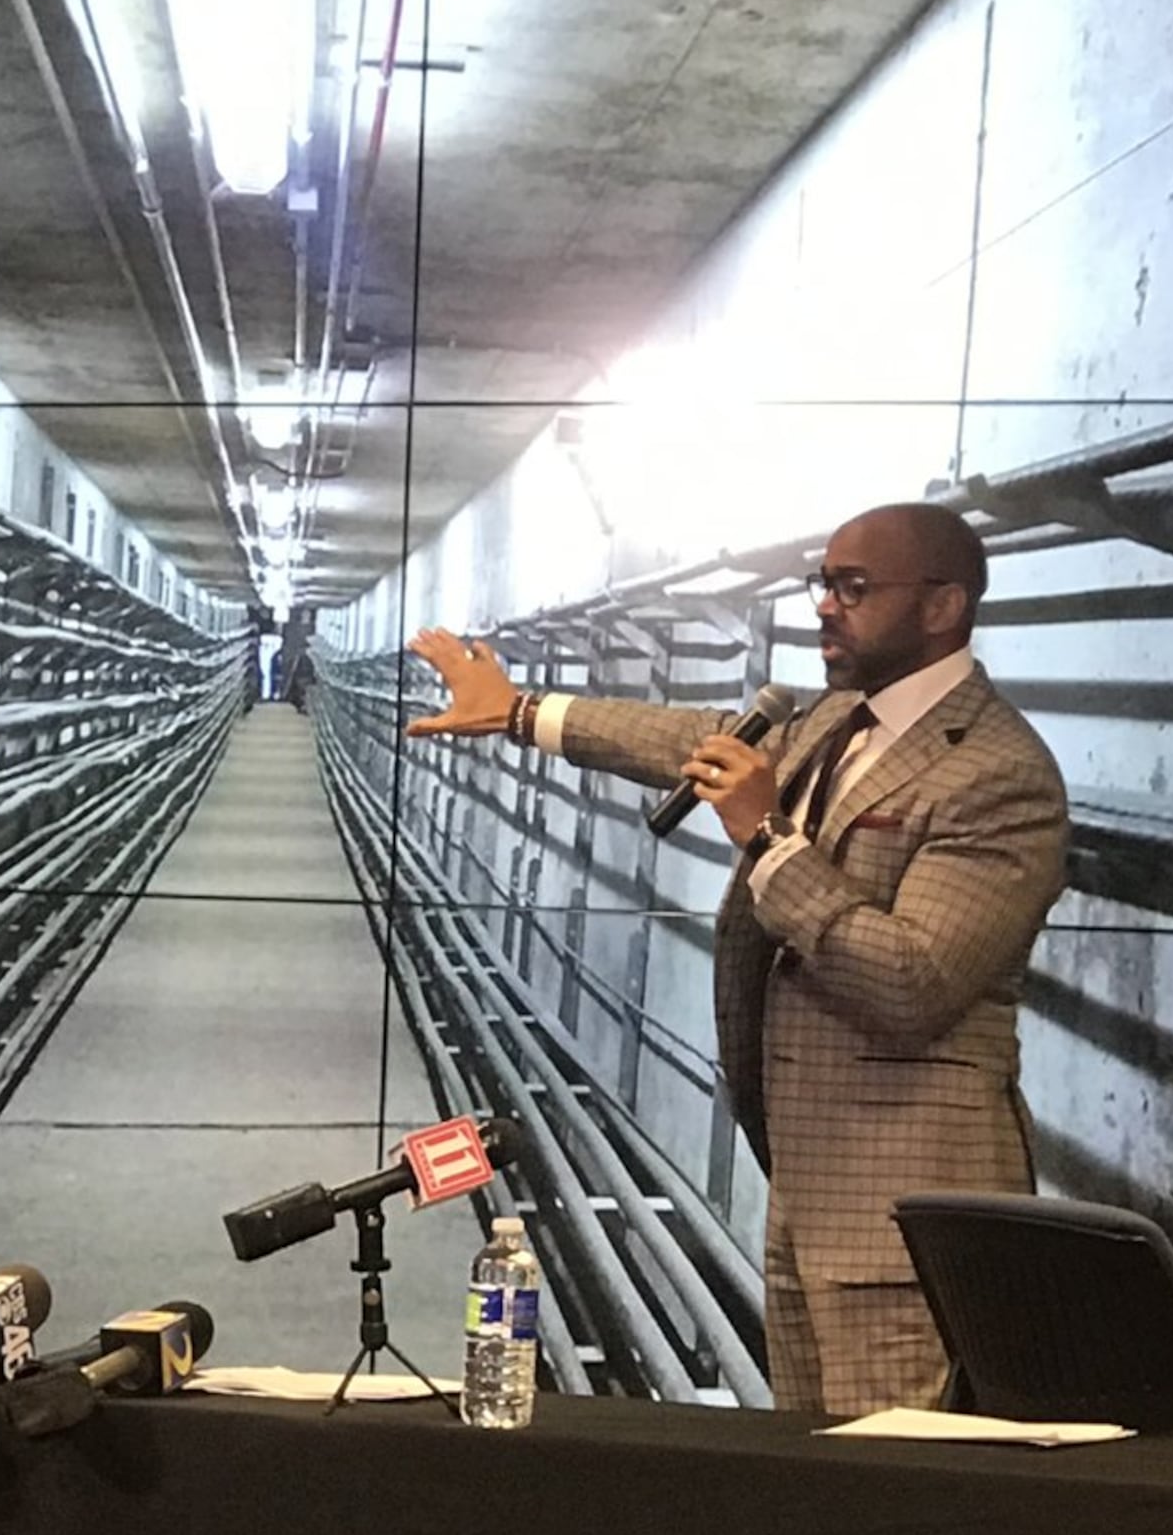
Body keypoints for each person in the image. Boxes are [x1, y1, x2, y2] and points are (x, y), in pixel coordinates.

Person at [407, 502, 1068, 1414]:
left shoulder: (998, 773)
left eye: (854, 587)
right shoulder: (839, 722)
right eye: (823, 583)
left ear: (943, 605)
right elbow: (694, 742)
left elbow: (913, 984)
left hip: (908, 1220)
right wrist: (522, 712)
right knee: (806, 1488)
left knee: (895, 1503)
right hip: (810, 1196)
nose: (826, 606)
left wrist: (768, 836)